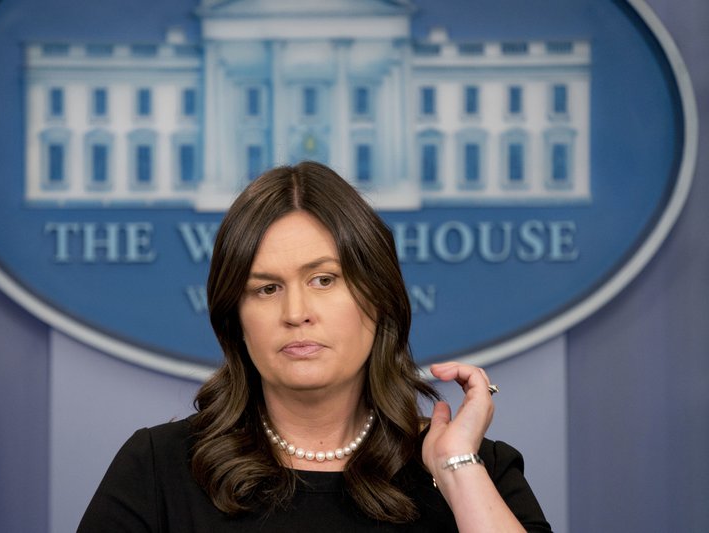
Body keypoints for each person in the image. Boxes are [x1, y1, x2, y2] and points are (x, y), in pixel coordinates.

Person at [78, 161, 551, 532]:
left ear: (379, 297)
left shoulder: (474, 464)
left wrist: (456, 471)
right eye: (266, 288)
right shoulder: (159, 468)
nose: (296, 312)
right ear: (234, 318)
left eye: (324, 280)